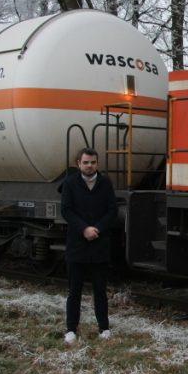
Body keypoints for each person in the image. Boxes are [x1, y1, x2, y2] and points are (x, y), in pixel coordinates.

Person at [60, 147, 118, 345]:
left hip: (99, 244)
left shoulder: (105, 183)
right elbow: (66, 211)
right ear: (79, 164)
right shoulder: (69, 183)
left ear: (97, 164)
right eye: (85, 162)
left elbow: (112, 210)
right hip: (77, 244)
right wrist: (84, 229)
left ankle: (104, 328)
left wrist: (97, 229)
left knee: (100, 290)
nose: (89, 165)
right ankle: (70, 329)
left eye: (93, 162)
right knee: (74, 291)